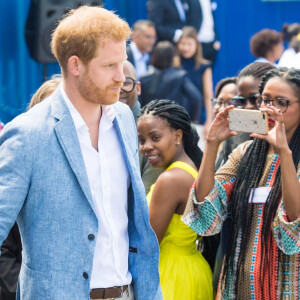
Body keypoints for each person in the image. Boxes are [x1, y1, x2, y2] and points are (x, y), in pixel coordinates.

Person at [0, 6, 162, 300]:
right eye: (109, 66)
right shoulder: (27, 134)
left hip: (130, 293)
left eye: (122, 63)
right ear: (75, 65)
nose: (120, 77)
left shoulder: (124, 118)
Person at [182, 67, 300, 299]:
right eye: (265, 100)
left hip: (287, 289)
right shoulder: (245, 152)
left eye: (282, 102)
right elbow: (207, 213)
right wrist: (212, 143)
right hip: (238, 287)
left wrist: (284, 153)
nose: (270, 109)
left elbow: (294, 233)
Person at [137, 99, 213, 300]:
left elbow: (148, 244)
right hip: (191, 270)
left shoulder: (170, 180)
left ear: (177, 135)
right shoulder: (189, 170)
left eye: (155, 138)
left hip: (170, 276)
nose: (147, 147)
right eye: (142, 140)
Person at [215, 62, 276, 170]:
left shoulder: (288, 139)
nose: (248, 106)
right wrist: (212, 142)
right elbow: (213, 184)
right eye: (241, 101)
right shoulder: (235, 137)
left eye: (255, 99)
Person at [119, 60, 162, 193]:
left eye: (126, 83)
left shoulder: (153, 129)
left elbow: (145, 195)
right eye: (113, 83)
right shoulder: (97, 127)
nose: (119, 90)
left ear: (138, 88)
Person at [140, 41, 203, 123]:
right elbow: (197, 98)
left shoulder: (144, 78)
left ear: (154, 56)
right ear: (172, 57)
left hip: (150, 123)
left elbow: (139, 105)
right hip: (174, 123)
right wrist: (193, 121)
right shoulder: (180, 76)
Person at [174, 26, 213, 131]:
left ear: (196, 45)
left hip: (198, 116)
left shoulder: (204, 66)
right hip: (176, 117)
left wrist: (209, 121)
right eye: (183, 44)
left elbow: (208, 95)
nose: (186, 48)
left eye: (189, 44)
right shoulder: (174, 64)